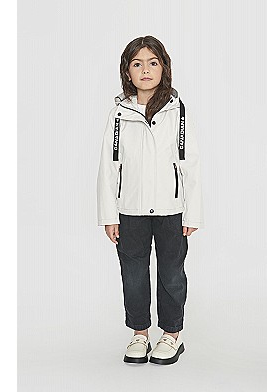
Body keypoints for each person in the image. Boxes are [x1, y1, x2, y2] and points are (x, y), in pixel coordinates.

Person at [96, 36, 204, 365]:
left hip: (171, 210)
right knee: (133, 275)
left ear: (163, 68)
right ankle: (140, 333)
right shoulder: (118, 114)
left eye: (153, 62)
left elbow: (190, 164)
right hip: (130, 211)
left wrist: (192, 213)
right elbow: (108, 167)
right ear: (127, 71)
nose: (145, 69)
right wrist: (109, 215)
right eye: (137, 63)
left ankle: (171, 334)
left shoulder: (177, 111)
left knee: (171, 275)